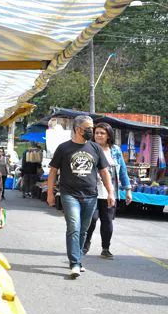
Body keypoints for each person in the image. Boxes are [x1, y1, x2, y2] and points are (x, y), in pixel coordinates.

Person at [47, 116, 115, 279]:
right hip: (69, 194)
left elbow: (104, 172)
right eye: (89, 128)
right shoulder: (64, 148)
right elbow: (53, 171)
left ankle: (78, 259)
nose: (91, 131)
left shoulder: (96, 148)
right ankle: (75, 263)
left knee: (83, 230)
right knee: (74, 226)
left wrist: (110, 192)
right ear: (78, 129)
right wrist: (50, 193)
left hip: (91, 195)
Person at [83, 122, 133, 258]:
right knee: (91, 219)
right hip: (91, 190)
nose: (99, 135)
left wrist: (127, 189)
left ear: (108, 135)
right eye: (97, 132)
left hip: (110, 192)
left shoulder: (115, 150)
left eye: (102, 133)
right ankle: (85, 243)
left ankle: (106, 248)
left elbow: (122, 170)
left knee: (107, 220)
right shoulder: (88, 147)